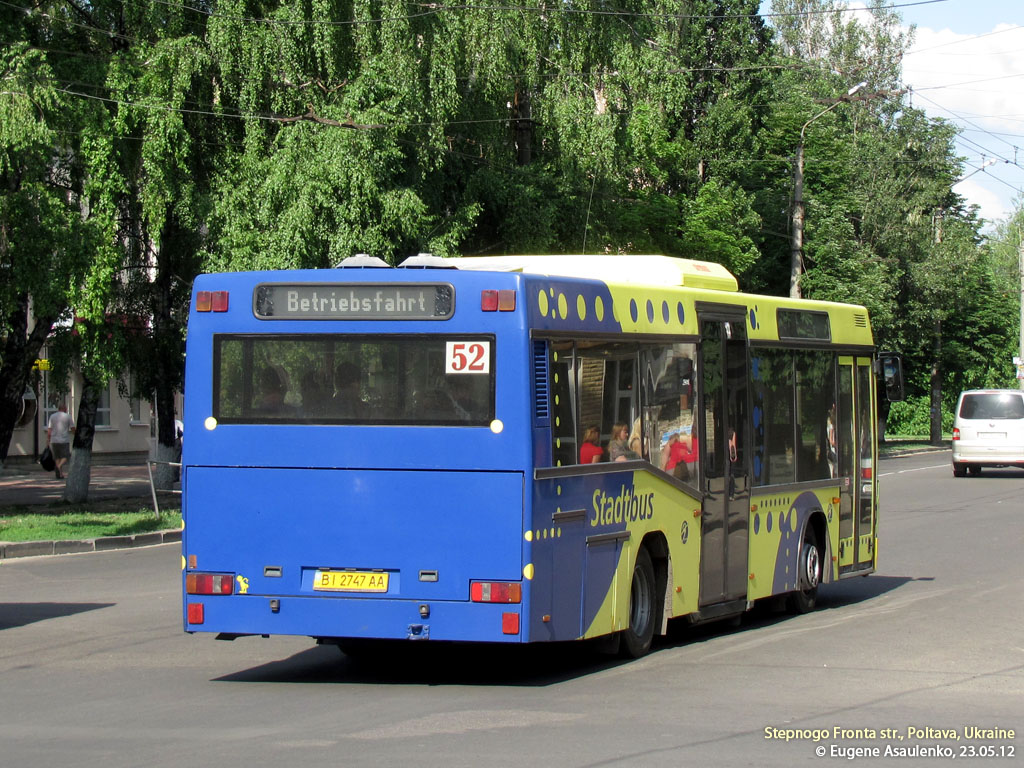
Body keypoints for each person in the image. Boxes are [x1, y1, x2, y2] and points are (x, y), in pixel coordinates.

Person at [47, 401, 75, 480]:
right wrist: (76, 435)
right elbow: (73, 428)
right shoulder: (68, 416)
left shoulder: (52, 416)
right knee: (66, 456)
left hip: (54, 440)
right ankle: (58, 467)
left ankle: (60, 474)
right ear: (64, 408)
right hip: (64, 440)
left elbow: (49, 429)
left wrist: (48, 440)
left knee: (57, 457)